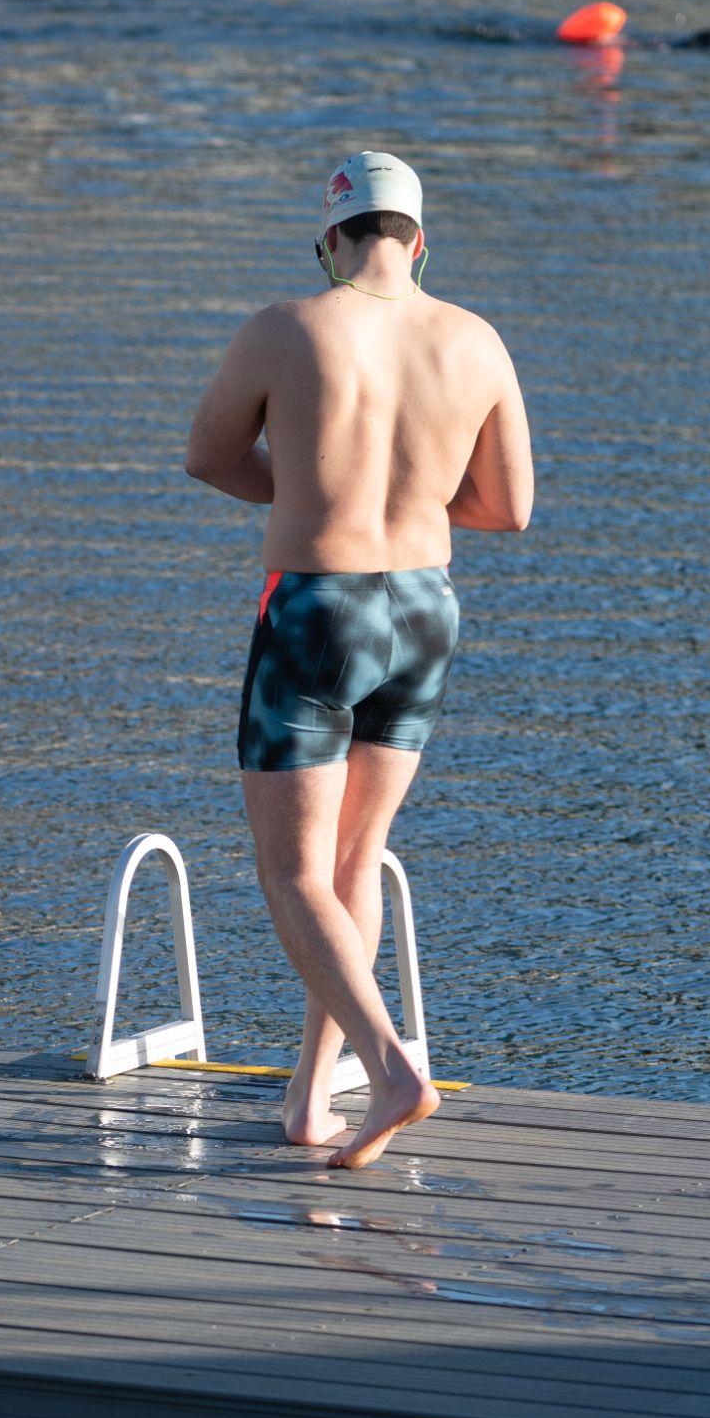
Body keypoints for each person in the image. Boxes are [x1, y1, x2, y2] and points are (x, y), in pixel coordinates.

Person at [183, 152, 533, 1170]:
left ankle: (388, 1071)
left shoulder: (285, 327)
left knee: (291, 870)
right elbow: (507, 509)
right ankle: (309, 1096)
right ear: (418, 241)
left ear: (329, 240)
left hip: (315, 608)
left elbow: (205, 457)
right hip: (424, 608)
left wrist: (308, 492)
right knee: (353, 858)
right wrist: (409, 506)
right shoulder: (474, 340)